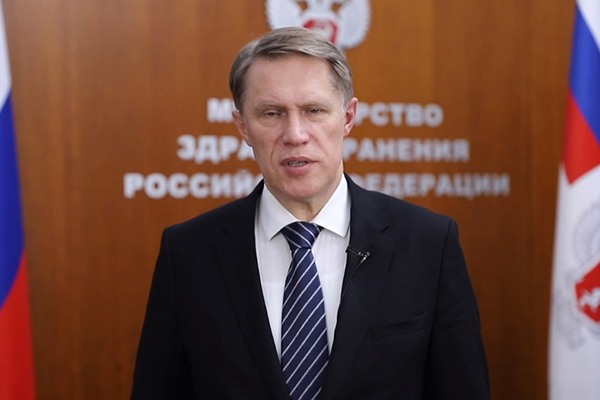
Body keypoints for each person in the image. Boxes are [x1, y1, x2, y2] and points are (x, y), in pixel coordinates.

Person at [131, 27, 490, 400]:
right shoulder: (188, 252)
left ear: (347, 117)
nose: (295, 134)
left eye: (314, 110)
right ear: (243, 126)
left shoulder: (428, 243)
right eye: (271, 113)